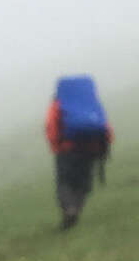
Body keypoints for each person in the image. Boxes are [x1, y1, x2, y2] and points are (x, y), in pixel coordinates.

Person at [43, 76, 112, 230]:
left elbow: (50, 125)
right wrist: (105, 144)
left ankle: (70, 210)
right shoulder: (89, 101)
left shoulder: (58, 104)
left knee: (65, 183)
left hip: (67, 149)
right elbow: (103, 123)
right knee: (83, 183)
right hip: (90, 148)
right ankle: (75, 209)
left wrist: (57, 147)